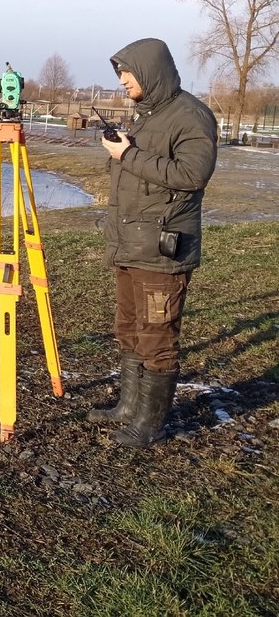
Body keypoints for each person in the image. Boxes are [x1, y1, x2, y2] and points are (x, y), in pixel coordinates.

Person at [89, 38, 218, 447]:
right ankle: (129, 408)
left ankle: (150, 424)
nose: (123, 81)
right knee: (128, 328)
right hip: (130, 245)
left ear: (150, 71)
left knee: (157, 336)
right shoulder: (148, 115)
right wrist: (126, 148)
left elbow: (192, 174)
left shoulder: (191, 116)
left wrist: (128, 155)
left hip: (163, 248)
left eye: (127, 73)